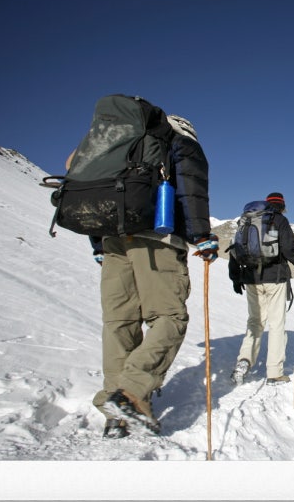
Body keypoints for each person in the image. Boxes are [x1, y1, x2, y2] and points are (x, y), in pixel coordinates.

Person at [92, 114, 218, 438]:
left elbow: (97, 191)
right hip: (156, 239)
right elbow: (190, 190)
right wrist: (202, 236)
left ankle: (116, 415)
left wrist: (98, 244)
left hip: (112, 241)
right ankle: (132, 394)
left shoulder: (122, 149)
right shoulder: (182, 143)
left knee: (120, 323)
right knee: (170, 317)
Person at [228, 192, 294, 386]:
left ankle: (244, 361)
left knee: (255, 322)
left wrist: (235, 278)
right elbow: (289, 249)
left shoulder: (246, 221)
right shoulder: (279, 220)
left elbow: (234, 250)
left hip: (250, 279)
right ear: (281, 206)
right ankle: (274, 372)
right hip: (275, 278)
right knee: (276, 325)